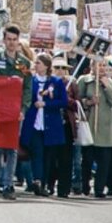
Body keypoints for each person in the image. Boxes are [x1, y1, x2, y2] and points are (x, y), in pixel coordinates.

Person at [0, 25, 31, 200]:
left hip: (15, 110)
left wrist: (23, 109)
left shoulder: (24, 63)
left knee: (12, 147)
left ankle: (8, 184)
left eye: (14, 40)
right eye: (9, 39)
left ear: (18, 41)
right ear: (4, 40)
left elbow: (27, 87)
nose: (11, 43)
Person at [19, 53, 68, 196]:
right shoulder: (31, 81)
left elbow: (63, 102)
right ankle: (37, 181)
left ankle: (44, 182)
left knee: (48, 156)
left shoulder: (56, 82)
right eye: (35, 63)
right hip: (33, 123)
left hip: (50, 124)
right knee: (37, 153)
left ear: (46, 66)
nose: (36, 65)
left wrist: (46, 103)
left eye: (38, 63)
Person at [76, 59, 112, 198]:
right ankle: (84, 186)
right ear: (91, 66)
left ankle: (99, 188)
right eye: (98, 65)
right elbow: (78, 99)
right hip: (90, 124)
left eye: (104, 65)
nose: (101, 68)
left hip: (106, 126)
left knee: (104, 161)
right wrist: (88, 102)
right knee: (87, 159)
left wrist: (107, 86)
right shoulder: (84, 80)